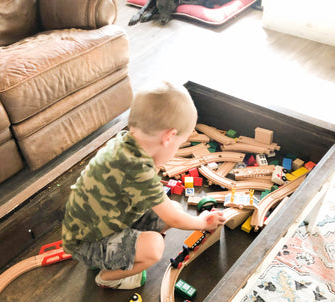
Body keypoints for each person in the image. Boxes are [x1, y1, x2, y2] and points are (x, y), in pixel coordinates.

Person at [62, 81, 225, 289]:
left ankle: (116, 254)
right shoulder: (139, 172)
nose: (176, 150)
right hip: (87, 245)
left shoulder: (125, 143)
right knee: (155, 246)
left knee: (171, 208)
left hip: (92, 229)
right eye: (179, 144)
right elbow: (174, 218)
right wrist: (203, 222)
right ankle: (109, 277)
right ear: (169, 137)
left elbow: (163, 207)